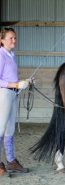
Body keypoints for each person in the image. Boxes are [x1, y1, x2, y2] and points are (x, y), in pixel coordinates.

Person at [0, 27, 30, 176]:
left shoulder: (11, 55)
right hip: (4, 95)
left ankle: (11, 161)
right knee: (0, 129)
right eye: (11, 38)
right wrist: (15, 85)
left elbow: (11, 78)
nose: (14, 40)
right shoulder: (0, 55)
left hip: (12, 94)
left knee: (10, 130)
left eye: (15, 38)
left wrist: (23, 84)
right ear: (2, 40)